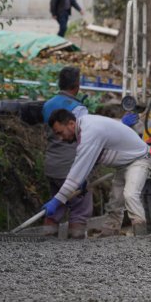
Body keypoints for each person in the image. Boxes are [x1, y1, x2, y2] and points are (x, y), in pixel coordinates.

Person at [43, 108, 151, 238]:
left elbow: (77, 172)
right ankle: (110, 233)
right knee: (116, 200)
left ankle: (140, 232)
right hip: (124, 164)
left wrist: (57, 200)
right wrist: (84, 179)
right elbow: (92, 160)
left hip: (139, 159)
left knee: (130, 194)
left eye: (60, 133)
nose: (60, 138)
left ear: (71, 124)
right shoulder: (85, 128)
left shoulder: (90, 131)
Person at [40, 67, 93, 238]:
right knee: (80, 204)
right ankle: (76, 238)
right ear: (77, 85)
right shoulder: (79, 109)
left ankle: (48, 235)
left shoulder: (47, 104)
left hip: (51, 164)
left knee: (57, 201)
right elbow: (86, 139)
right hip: (70, 166)